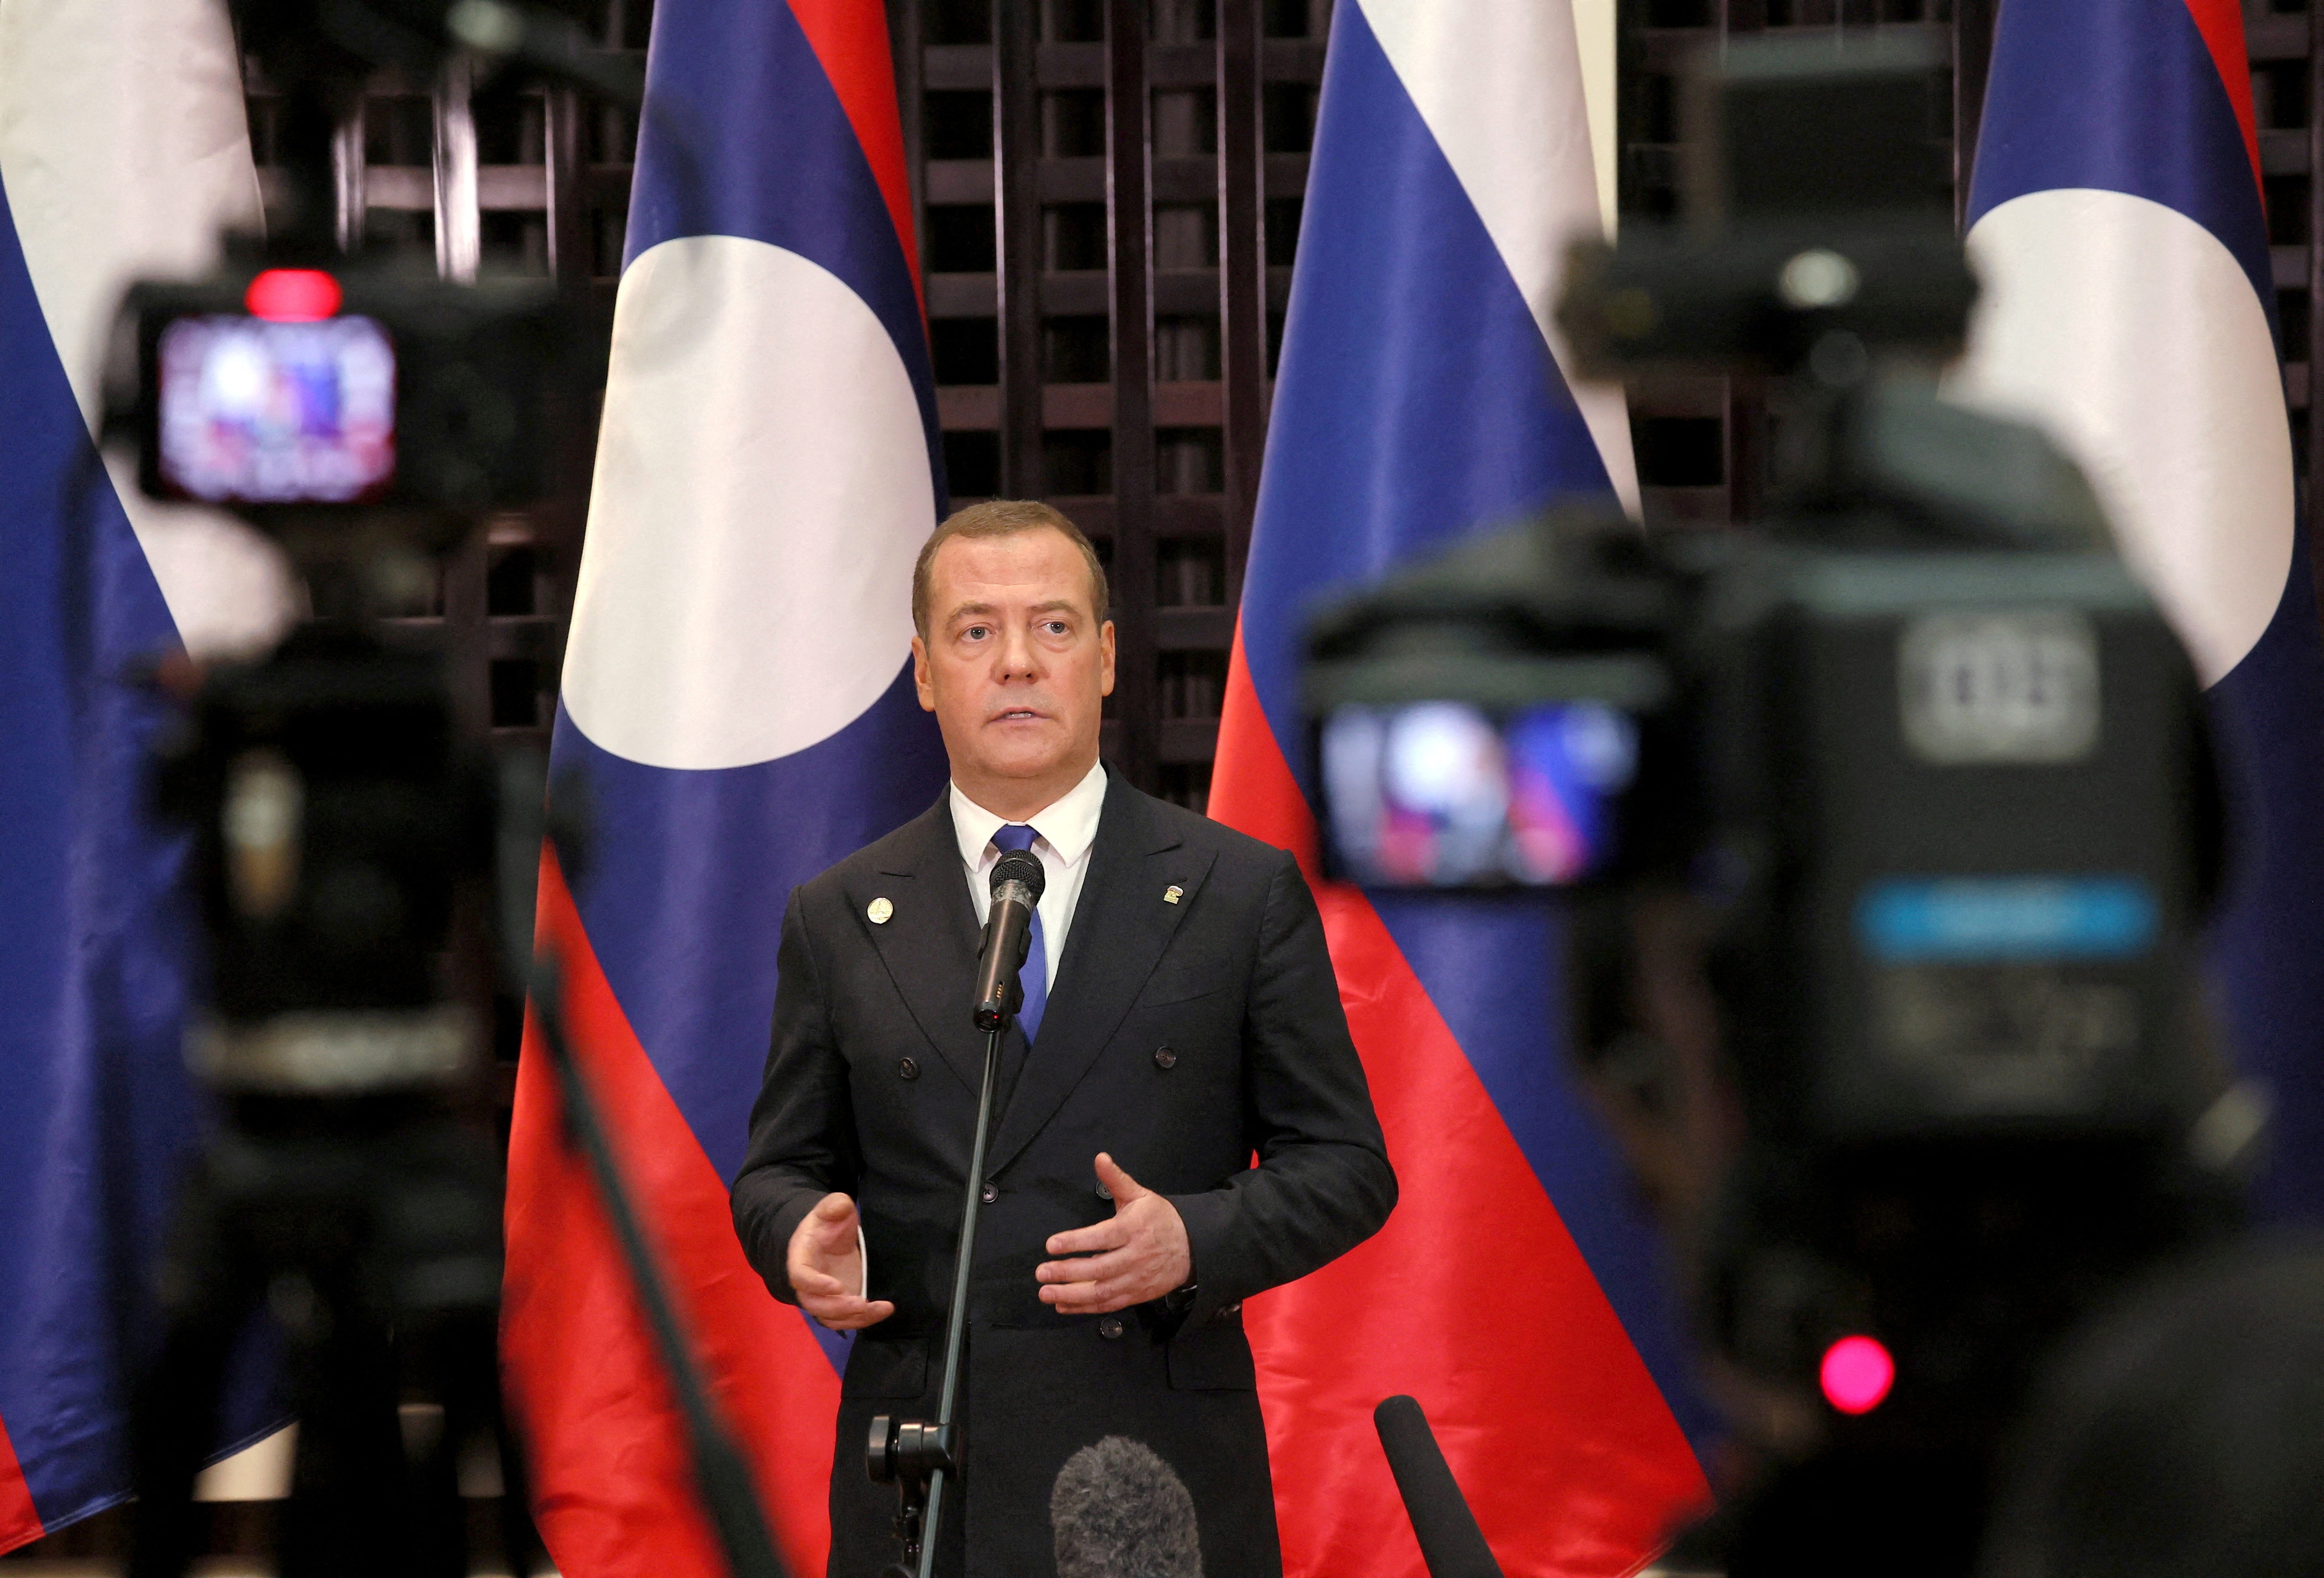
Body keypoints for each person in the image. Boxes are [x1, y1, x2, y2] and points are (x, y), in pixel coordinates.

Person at [730, 500, 1397, 1578]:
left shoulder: (1236, 890)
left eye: (1052, 626)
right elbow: (778, 1170)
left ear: (1106, 659)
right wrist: (797, 1236)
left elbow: (1348, 1168)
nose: (1017, 663)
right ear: (924, 673)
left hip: (1158, 1468)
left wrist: (1195, 1238)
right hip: (931, 1481)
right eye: (975, 631)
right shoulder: (841, 912)